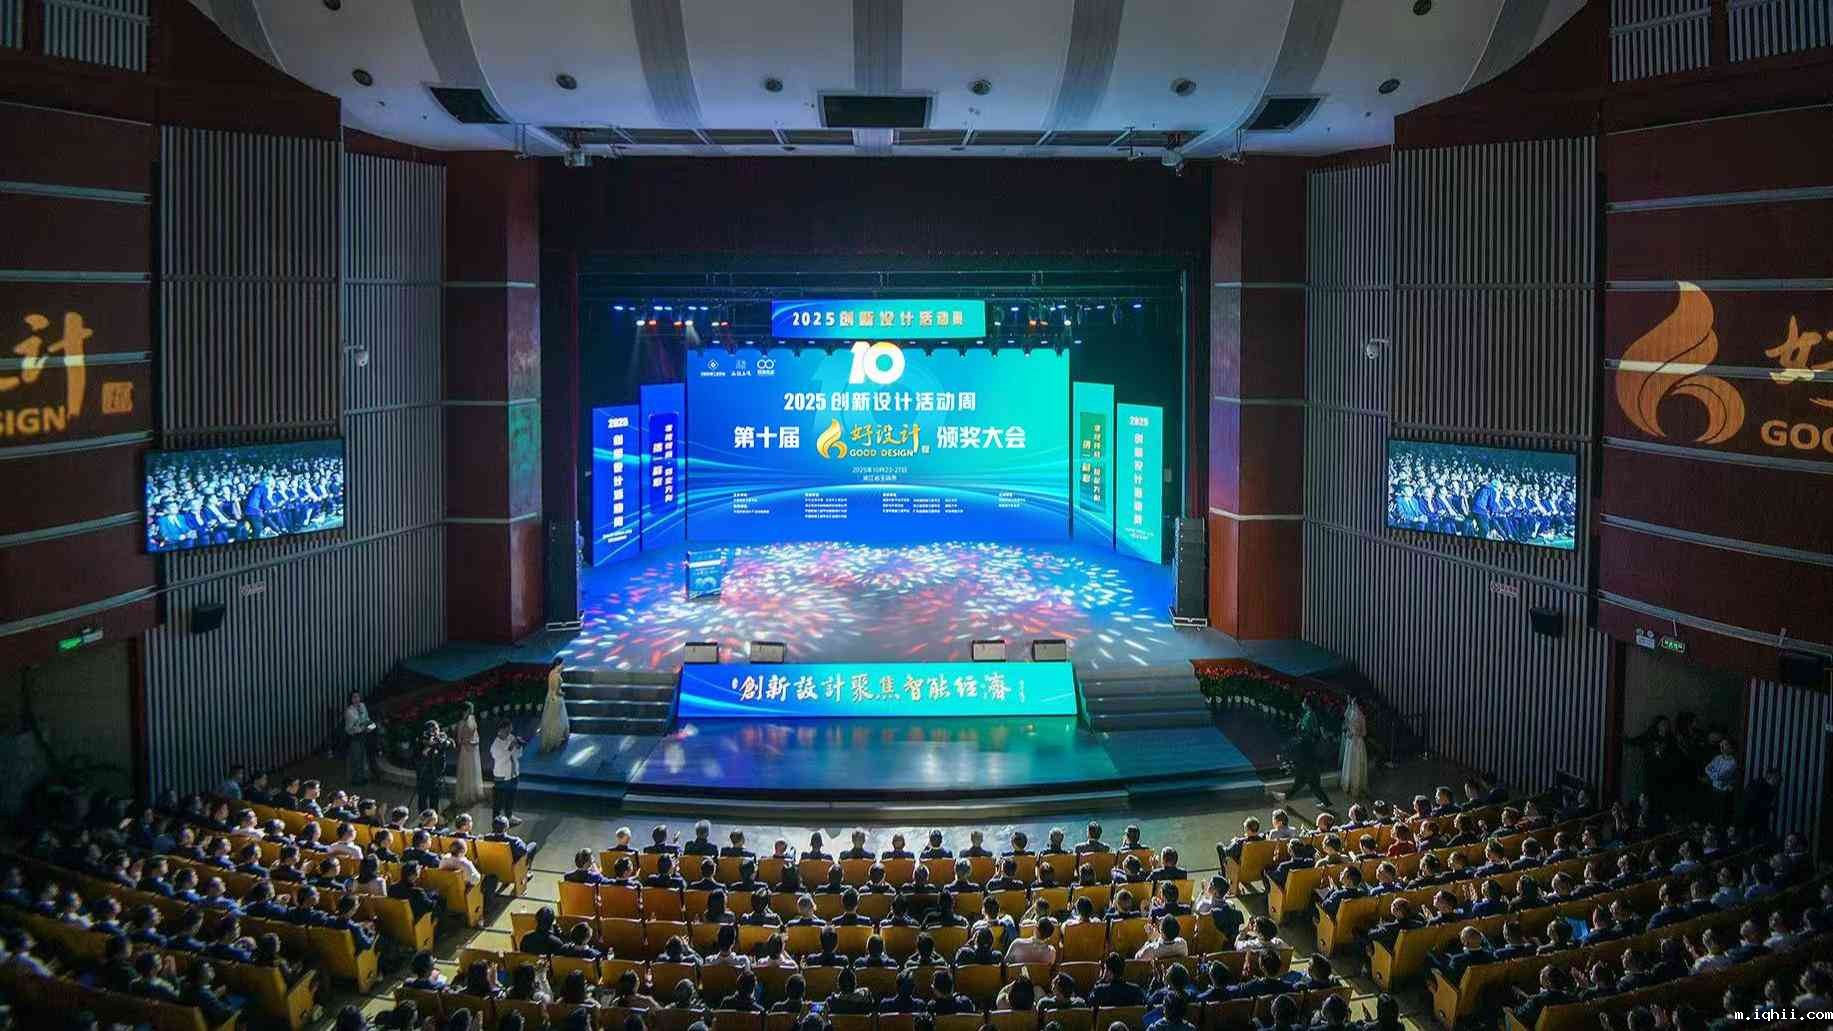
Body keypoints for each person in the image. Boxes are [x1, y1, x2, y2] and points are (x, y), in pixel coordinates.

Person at [490, 720, 525, 826]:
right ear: (500, 730)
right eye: (506, 731)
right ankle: (496, 820)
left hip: (513, 773)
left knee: (511, 797)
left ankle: (509, 816)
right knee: (498, 800)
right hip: (501, 775)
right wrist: (511, 747)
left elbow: (518, 755)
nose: (509, 733)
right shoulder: (495, 745)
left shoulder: (511, 738)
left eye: (510, 731)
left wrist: (518, 747)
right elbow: (501, 758)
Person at [452, 702, 485, 808]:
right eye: (470, 708)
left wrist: (476, 741)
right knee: (467, 772)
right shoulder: (461, 723)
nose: (472, 710)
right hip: (466, 751)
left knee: (474, 771)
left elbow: (476, 733)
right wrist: (470, 743)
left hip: (474, 749)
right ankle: (465, 797)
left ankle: (474, 795)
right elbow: (459, 740)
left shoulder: (472, 718)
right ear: (466, 710)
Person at [1339, 698, 1369, 799]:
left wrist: (1352, 733)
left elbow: (1362, 732)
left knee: (1352, 763)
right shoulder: (1358, 715)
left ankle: (1351, 785)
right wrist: (1354, 733)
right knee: (1354, 764)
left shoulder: (1353, 715)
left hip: (1353, 742)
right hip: (1356, 742)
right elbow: (1364, 732)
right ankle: (1354, 786)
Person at [344, 691, 374, 785]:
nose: (356, 699)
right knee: (356, 757)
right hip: (355, 736)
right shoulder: (349, 711)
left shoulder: (362, 706)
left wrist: (370, 727)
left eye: (358, 697)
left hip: (364, 734)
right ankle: (355, 779)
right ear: (351, 699)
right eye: (354, 697)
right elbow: (349, 728)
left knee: (363, 757)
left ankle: (363, 776)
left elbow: (367, 719)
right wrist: (360, 728)